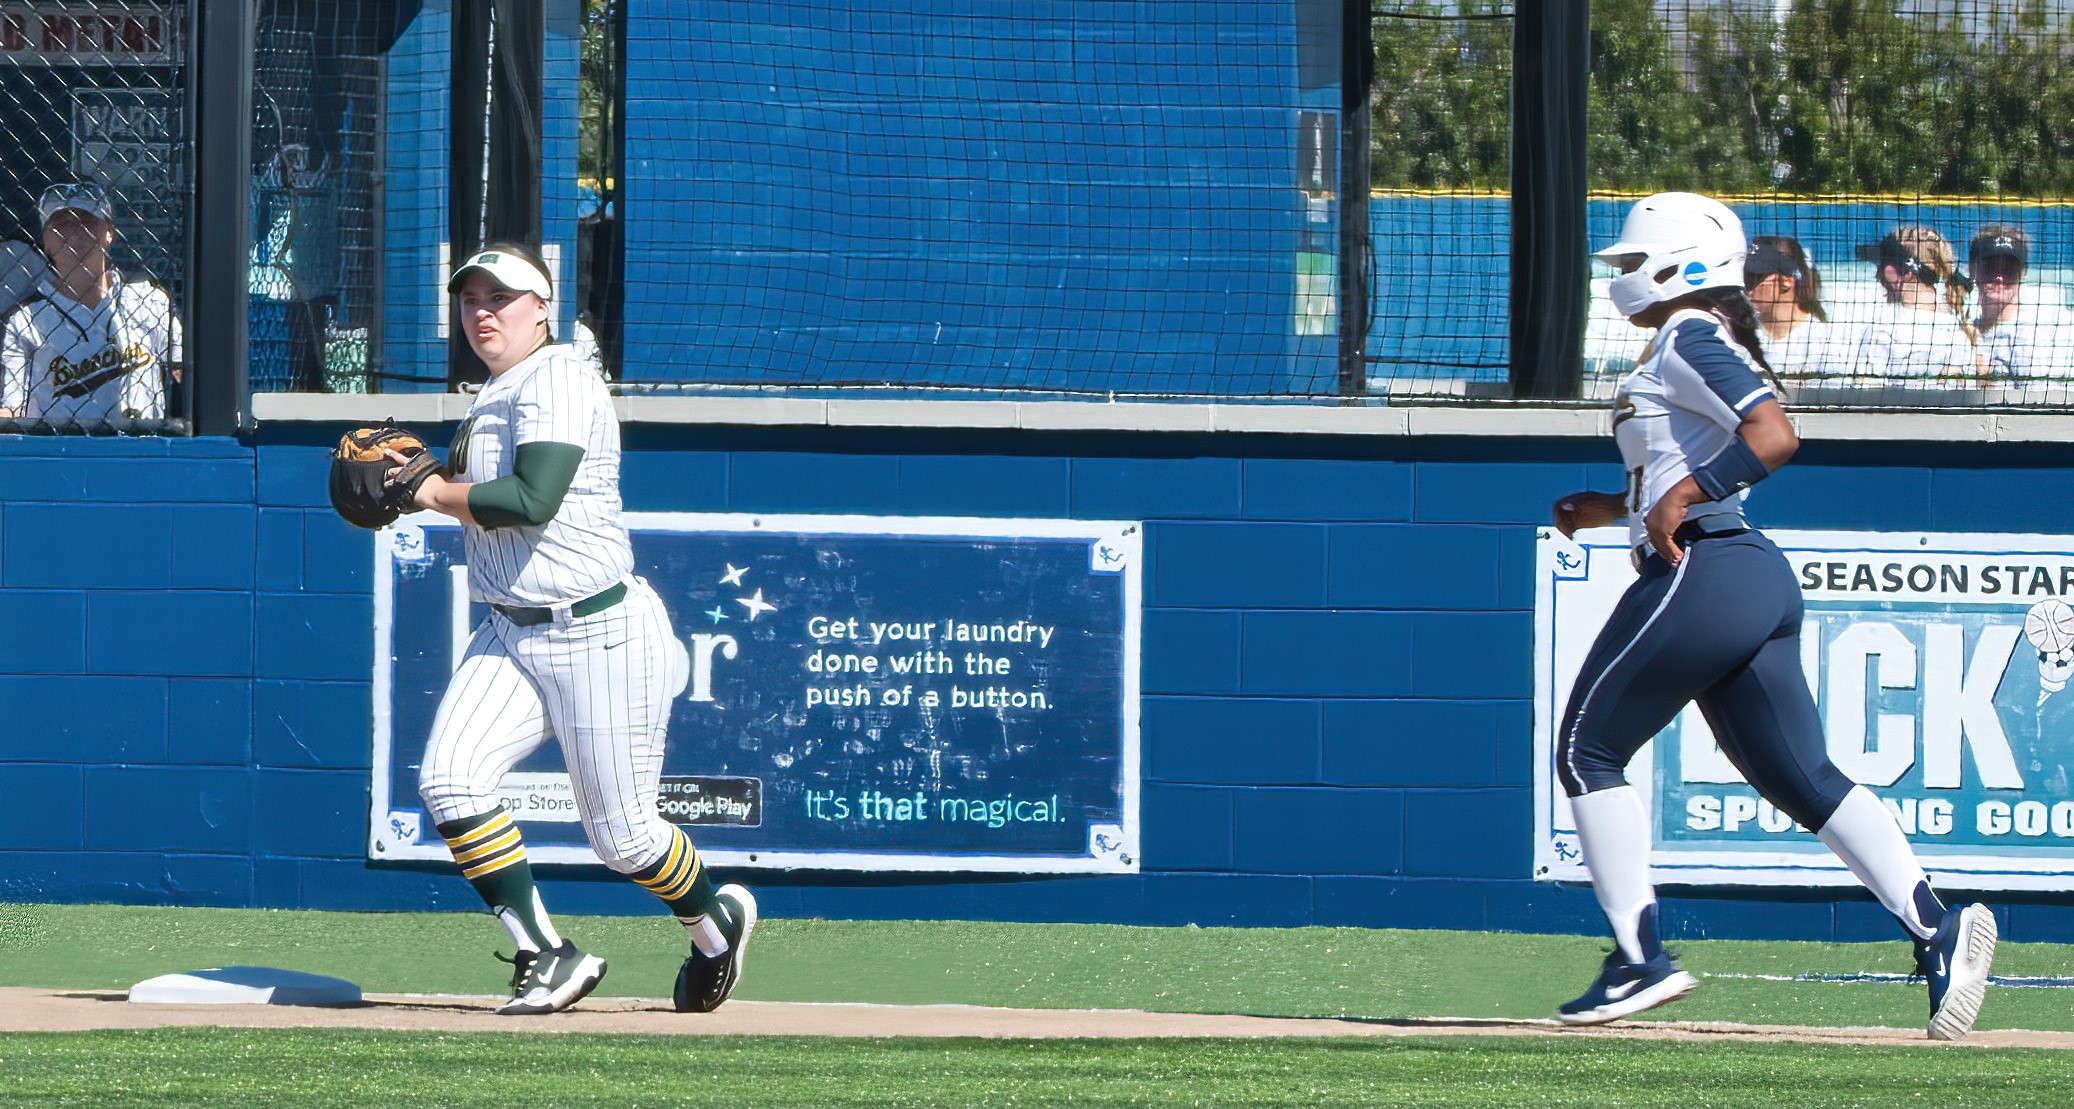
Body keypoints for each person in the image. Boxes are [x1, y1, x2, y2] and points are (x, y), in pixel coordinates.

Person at [1548, 192, 1996, 1039]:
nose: (1623, 275)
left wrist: (1683, 493)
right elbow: (1684, 462)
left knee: (1586, 748)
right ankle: (1938, 926)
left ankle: (1639, 960)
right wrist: (1612, 505)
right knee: (1804, 778)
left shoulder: (1687, 333)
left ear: (1680, 262)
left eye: (1634, 259)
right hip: (1741, 573)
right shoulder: (1692, 336)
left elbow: (1774, 434)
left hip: (1708, 567)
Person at [394, 242, 755, 1016]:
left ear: (543, 308)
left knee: (626, 840)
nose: (483, 311)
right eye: (471, 299)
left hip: (598, 629)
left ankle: (715, 927)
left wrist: (430, 492)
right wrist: (421, 481)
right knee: (450, 778)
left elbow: (533, 498)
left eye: (501, 297)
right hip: (510, 628)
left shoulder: (556, 376)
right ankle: (546, 952)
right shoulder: (498, 388)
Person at [0, 181, 180, 424]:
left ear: (108, 233)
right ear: (46, 239)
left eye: (86, 222)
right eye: (62, 224)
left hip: (141, 442)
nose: (74, 234)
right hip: (64, 445)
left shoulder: (149, 301)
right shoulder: (25, 320)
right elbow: (12, 410)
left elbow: (189, 375)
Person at [1851, 226, 1985, 387]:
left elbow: (1865, 398)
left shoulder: (1883, 330)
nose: (1877, 274)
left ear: (1902, 272)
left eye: (1882, 265)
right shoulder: (1961, 332)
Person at [1970, 225, 2074, 382]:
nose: (1999, 277)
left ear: (2023, 273)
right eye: (1990, 267)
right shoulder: (1964, 333)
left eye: (2009, 269)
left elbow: (2036, 395)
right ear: (1973, 270)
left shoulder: (2029, 336)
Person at [1743, 235, 1852, 384]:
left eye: (1756, 277)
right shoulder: (1739, 337)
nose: (1745, 285)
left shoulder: (1826, 342)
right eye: (1744, 276)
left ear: (1786, 282)